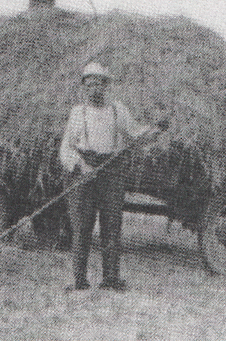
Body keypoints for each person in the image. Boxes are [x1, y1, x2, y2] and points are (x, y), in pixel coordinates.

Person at [58, 62, 161, 292]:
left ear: (106, 86)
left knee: (112, 227)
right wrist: (80, 165)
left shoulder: (118, 110)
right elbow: (66, 149)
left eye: (100, 84)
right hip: (84, 175)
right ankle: (79, 280)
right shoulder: (78, 113)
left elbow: (135, 135)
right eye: (91, 84)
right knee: (82, 227)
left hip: (111, 172)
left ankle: (111, 279)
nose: (96, 89)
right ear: (84, 87)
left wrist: (154, 130)